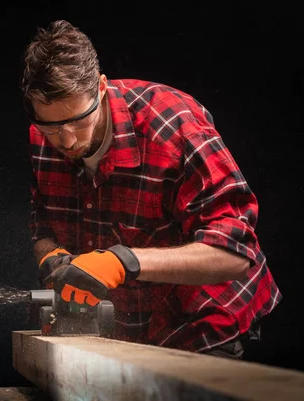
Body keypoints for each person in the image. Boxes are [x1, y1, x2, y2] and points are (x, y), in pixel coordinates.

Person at [20, 19, 282, 359]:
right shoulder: (41, 138)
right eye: (51, 127)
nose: (66, 140)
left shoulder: (175, 125)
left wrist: (123, 262)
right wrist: (52, 258)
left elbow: (234, 255)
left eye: (79, 121)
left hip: (205, 321)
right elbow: (42, 223)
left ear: (100, 88)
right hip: (130, 331)